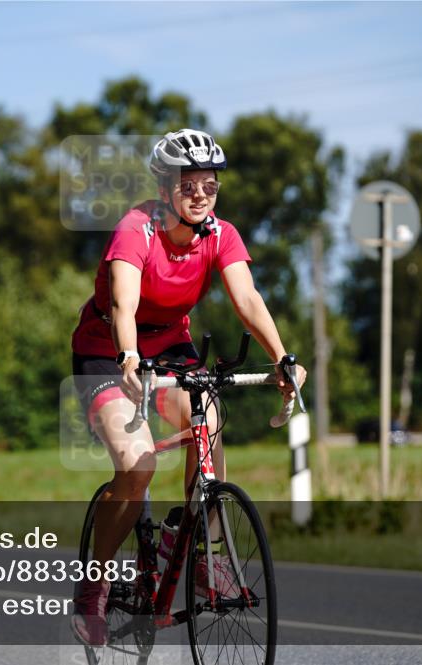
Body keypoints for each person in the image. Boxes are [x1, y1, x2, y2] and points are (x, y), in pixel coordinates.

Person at [69, 129, 306, 646]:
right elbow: (124, 305)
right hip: (109, 347)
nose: (200, 194)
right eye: (188, 184)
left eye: (210, 186)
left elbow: (247, 298)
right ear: (164, 186)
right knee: (137, 466)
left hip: (172, 346)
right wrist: (128, 356)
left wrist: (282, 358)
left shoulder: (221, 235)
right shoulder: (137, 229)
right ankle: (95, 583)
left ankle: (203, 552)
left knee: (210, 425)